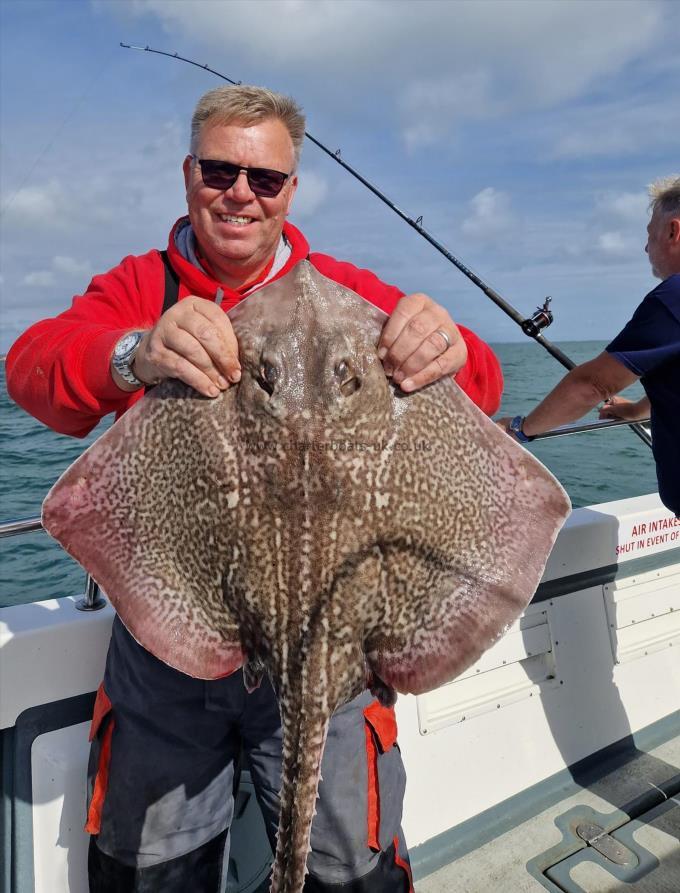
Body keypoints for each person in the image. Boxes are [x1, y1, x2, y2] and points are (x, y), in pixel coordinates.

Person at [6, 85, 503, 892]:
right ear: (188, 173)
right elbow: (32, 365)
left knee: (349, 867)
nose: (240, 192)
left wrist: (449, 345)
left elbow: (479, 382)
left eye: (264, 178)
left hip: (335, 651)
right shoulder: (142, 285)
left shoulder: (344, 295)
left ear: (290, 191)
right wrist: (132, 351)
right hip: (172, 638)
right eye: (220, 170)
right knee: (150, 866)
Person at [498, 175, 680, 518]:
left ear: (674, 231)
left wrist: (519, 428)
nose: (645, 248)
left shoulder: (673, 299)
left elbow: (593, 385)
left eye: (649, 234)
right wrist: (636, 411)